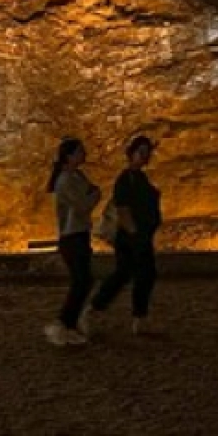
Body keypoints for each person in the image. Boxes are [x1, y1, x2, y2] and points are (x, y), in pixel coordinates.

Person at [86, 134, 162, 335]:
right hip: (132, 237)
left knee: (134, 274)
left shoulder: (140, 178)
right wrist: (136, 233)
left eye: (147, 153)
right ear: (132, 154)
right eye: (142, 152)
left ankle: (133, 317)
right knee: (133, 274)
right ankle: (98, 310)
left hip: (138, 236)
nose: (145, 157)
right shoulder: (125, 179)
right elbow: (123, 209)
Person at [43, 137, 102, 347]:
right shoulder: (66, 180)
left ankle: (69, 322)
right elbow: (83, 205)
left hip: (79, 234)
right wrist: (96, 195)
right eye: (80, 152)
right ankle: (64, 324)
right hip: (72, 236)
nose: (84, 155)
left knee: (84, 281)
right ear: (69, 156)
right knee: (81, 281)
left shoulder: (75, 176)